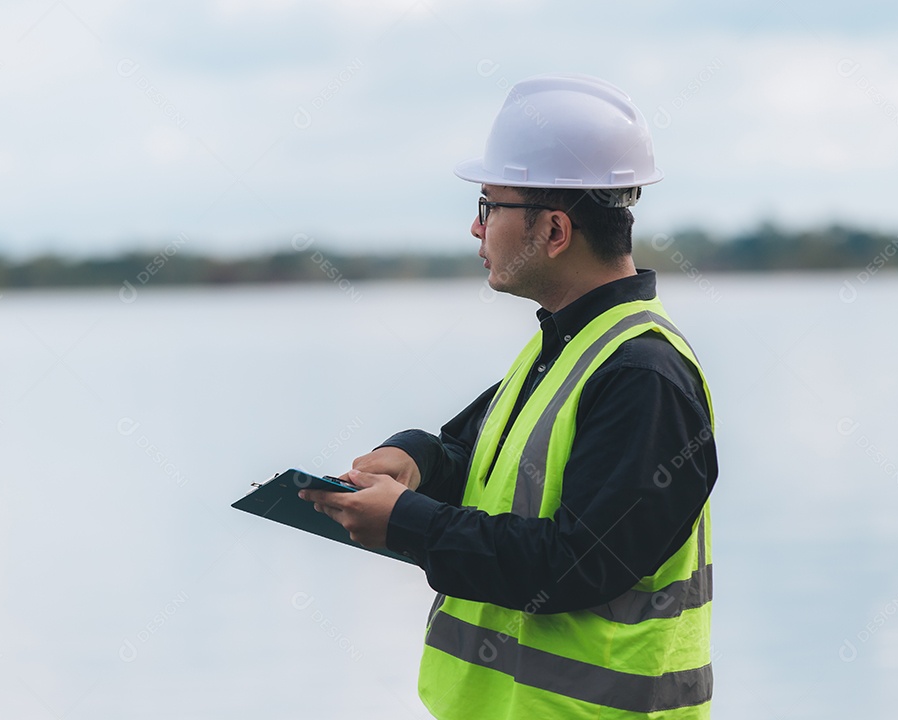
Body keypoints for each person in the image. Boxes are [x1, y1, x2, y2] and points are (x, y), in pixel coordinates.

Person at [299, 73, 718, 720]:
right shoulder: (566, 347)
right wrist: (413, 461)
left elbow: (576, 562)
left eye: (491, 207)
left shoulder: (644, 377)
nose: (475, 227)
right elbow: (476, 459)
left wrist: (406, 522)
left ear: (553, 231)